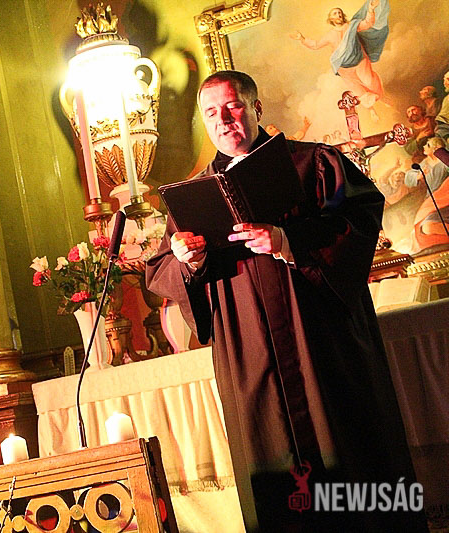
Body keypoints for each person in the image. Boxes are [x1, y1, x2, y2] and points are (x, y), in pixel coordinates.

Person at [146, 70, 426, 532]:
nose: (223, 120)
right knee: (276, 469)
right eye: (211, 113)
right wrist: (186, 260)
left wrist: (286, 240)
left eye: (233, 106)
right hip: (250, 352)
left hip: (321, 340)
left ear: (256, 108)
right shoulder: (193, 195)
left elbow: (360, 217)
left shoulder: (314, 163)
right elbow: (161, 271)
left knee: (349, 451)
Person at [290, 0, 388, 116]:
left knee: (369, 81)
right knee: (357, 89)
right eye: (335, 13)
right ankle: (371, 110)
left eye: (340, 12)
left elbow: (367, 23)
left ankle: (381, 97)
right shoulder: (330, 35)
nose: (339, 15)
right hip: (344, 67)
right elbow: (316, 45)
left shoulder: (351, 26)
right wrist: (302, 38)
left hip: (359, 60)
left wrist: (370, 9)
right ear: (331, 19)